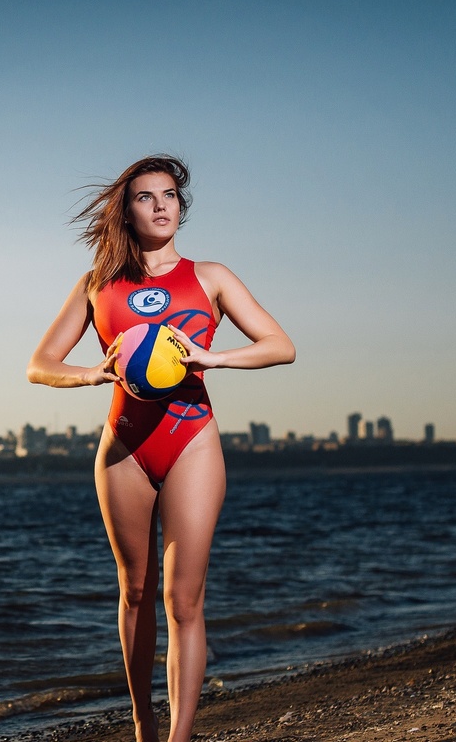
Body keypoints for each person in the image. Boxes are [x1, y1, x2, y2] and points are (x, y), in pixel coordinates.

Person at [27, 155, 294, 742]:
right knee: (135, 591)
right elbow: (39, 365)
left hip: (190, 439)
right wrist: (92, 374)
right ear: (128, 211)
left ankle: (179, 737)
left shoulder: (211, 277)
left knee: (184, 598)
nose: (162, 205)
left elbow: (281, 345)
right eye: (147, 197)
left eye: (170, 195)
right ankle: (144, 720)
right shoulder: (98, 283)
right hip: (124, 445)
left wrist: (212, 357)